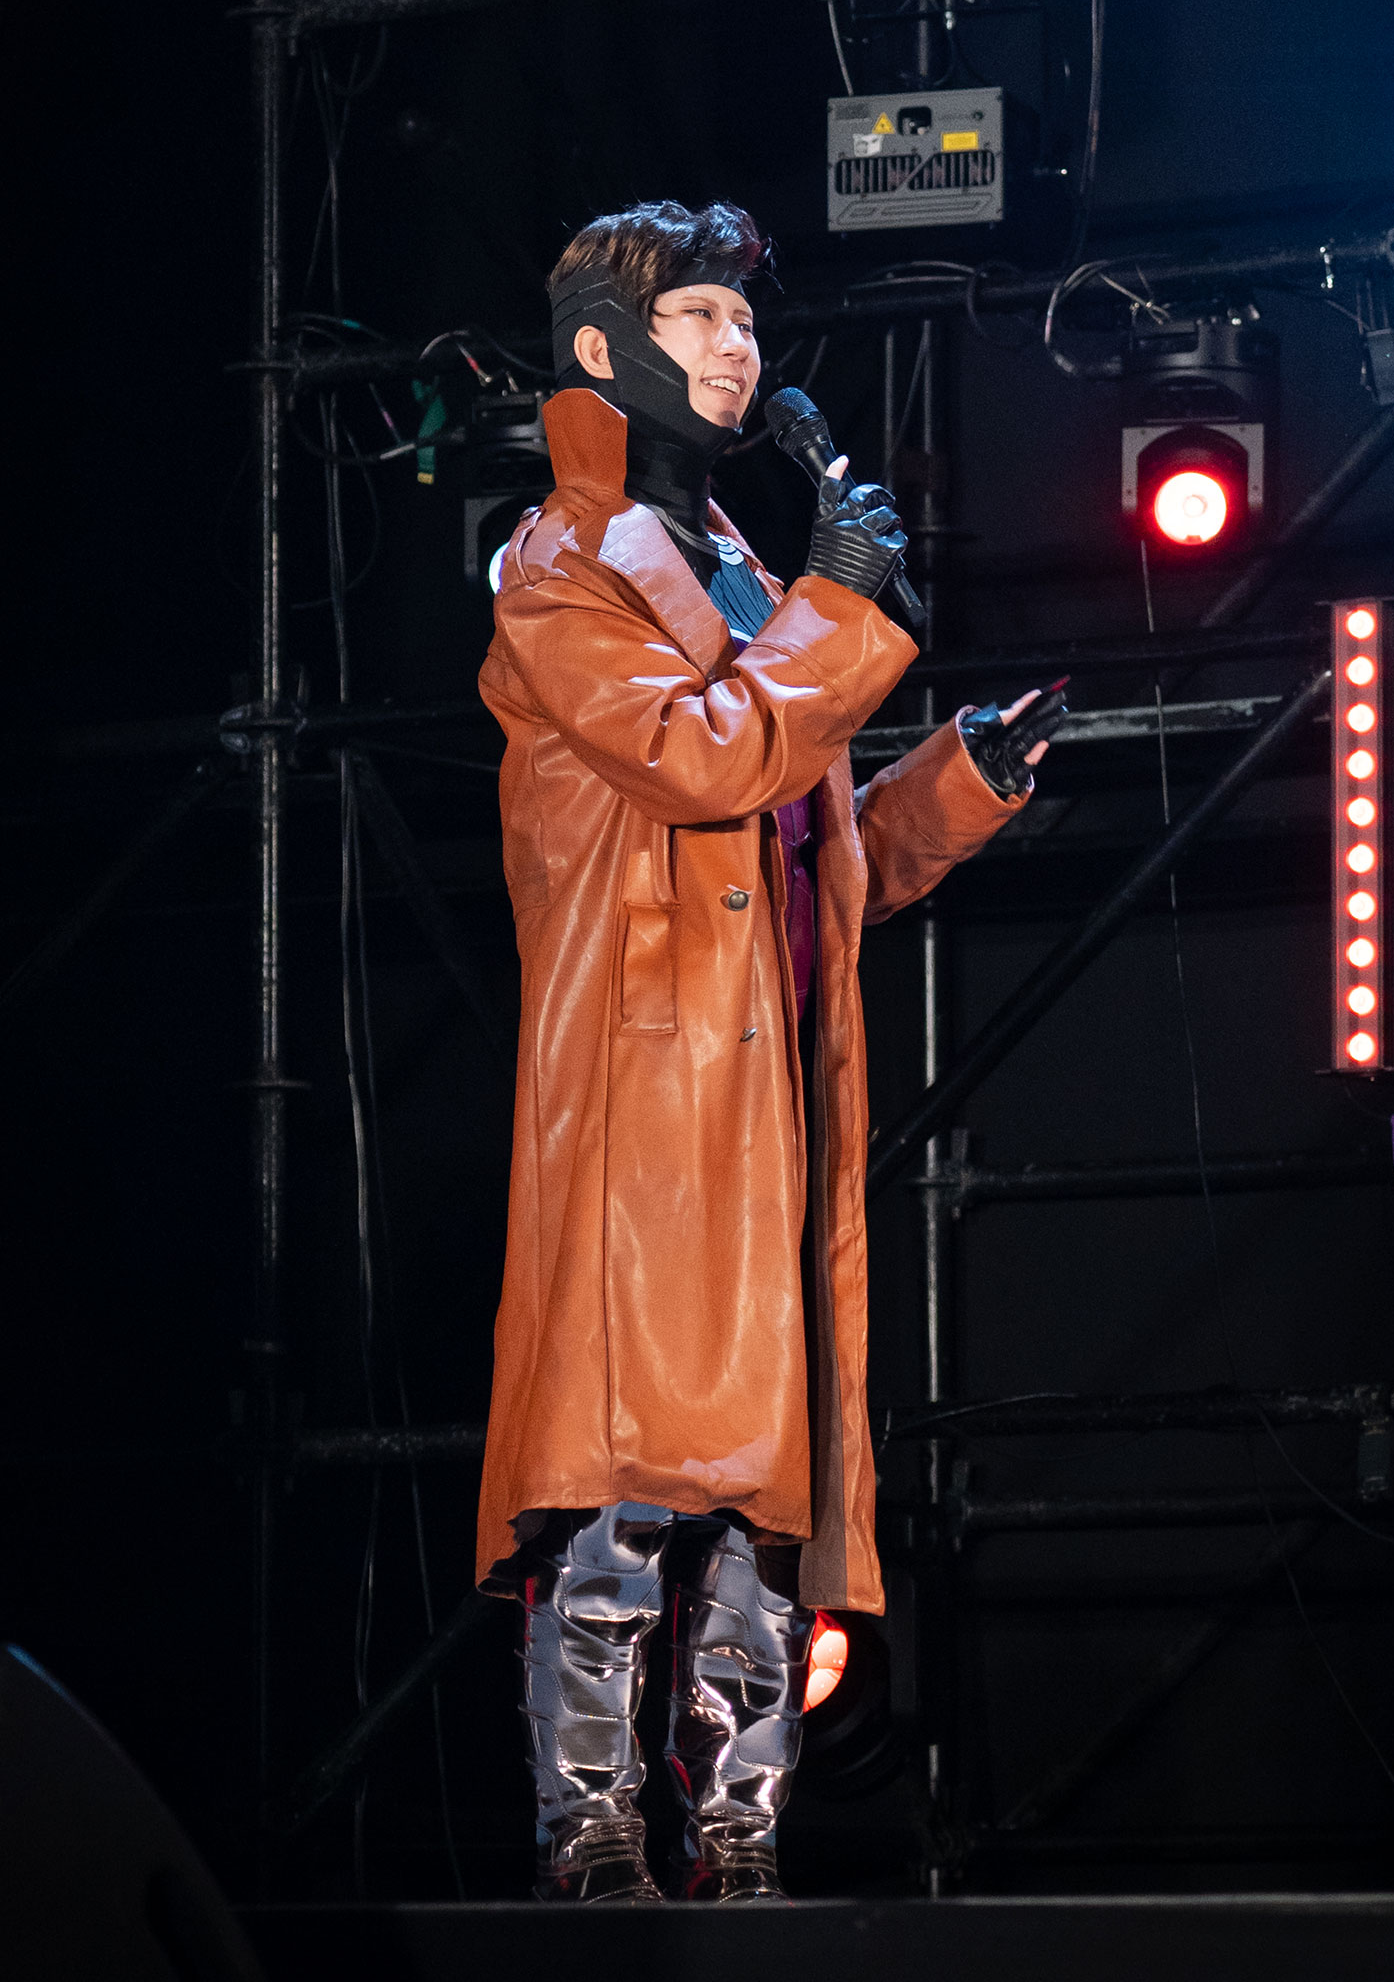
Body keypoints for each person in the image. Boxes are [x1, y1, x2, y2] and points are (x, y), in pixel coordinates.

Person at [475, 200, 1050, 1903]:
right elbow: (701, 759)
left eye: (743, 318)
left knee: (760, 1500)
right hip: (641, 1080)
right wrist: (837, 606)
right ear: (604, 351)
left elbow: (807, 851)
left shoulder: (735, 568)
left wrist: (957, 783)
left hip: (769, 1081)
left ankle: (739, 1836)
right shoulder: (561, 566)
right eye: (703, 317)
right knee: (618, 1478)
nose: (739, 347)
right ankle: (592, 1828)